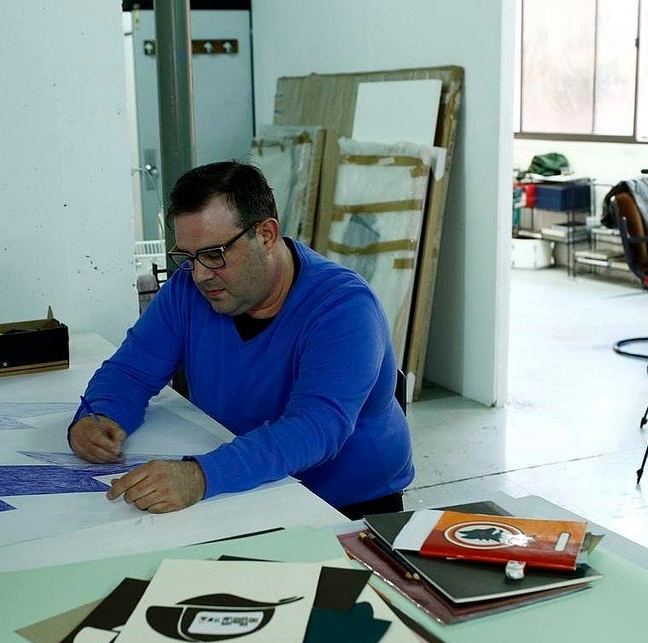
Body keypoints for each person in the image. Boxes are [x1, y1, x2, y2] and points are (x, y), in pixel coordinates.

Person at [69, 161, 413, 519]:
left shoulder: (344, 307)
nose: (201, 275)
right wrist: (98, 415)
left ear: (265, 235)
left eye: (215, 255)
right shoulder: (188, 290)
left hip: (346, 504)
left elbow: (315, 428)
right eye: (187, 257)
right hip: (242, 478)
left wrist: (201, 476)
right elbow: (131, 371)